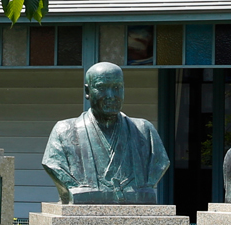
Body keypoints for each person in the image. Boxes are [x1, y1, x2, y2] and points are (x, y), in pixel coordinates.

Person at [41, 62, 170, 204]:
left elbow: (160, 163)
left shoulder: (144, 131)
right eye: (102, 87)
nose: (111, 95)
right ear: (87, 92)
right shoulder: (64, 131)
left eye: (117, 88)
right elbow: (53, 164)